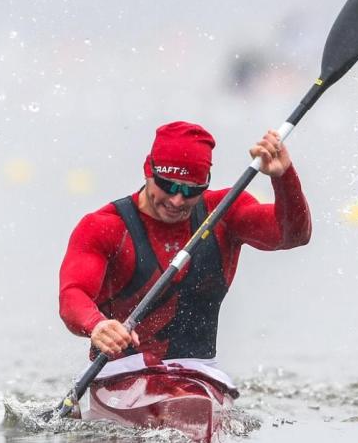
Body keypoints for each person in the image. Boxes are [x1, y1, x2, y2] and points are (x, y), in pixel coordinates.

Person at [58, 121, 311, 390]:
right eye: (167, 185)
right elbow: (72, 295)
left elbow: (292, 236)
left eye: (191, 190)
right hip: (117, 374)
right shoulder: (105, 226)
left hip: (198, 375)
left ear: (206, 184)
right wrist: (96, 325)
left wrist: (283, 177)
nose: (177, 200)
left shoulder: (224, 213)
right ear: (148, 171)